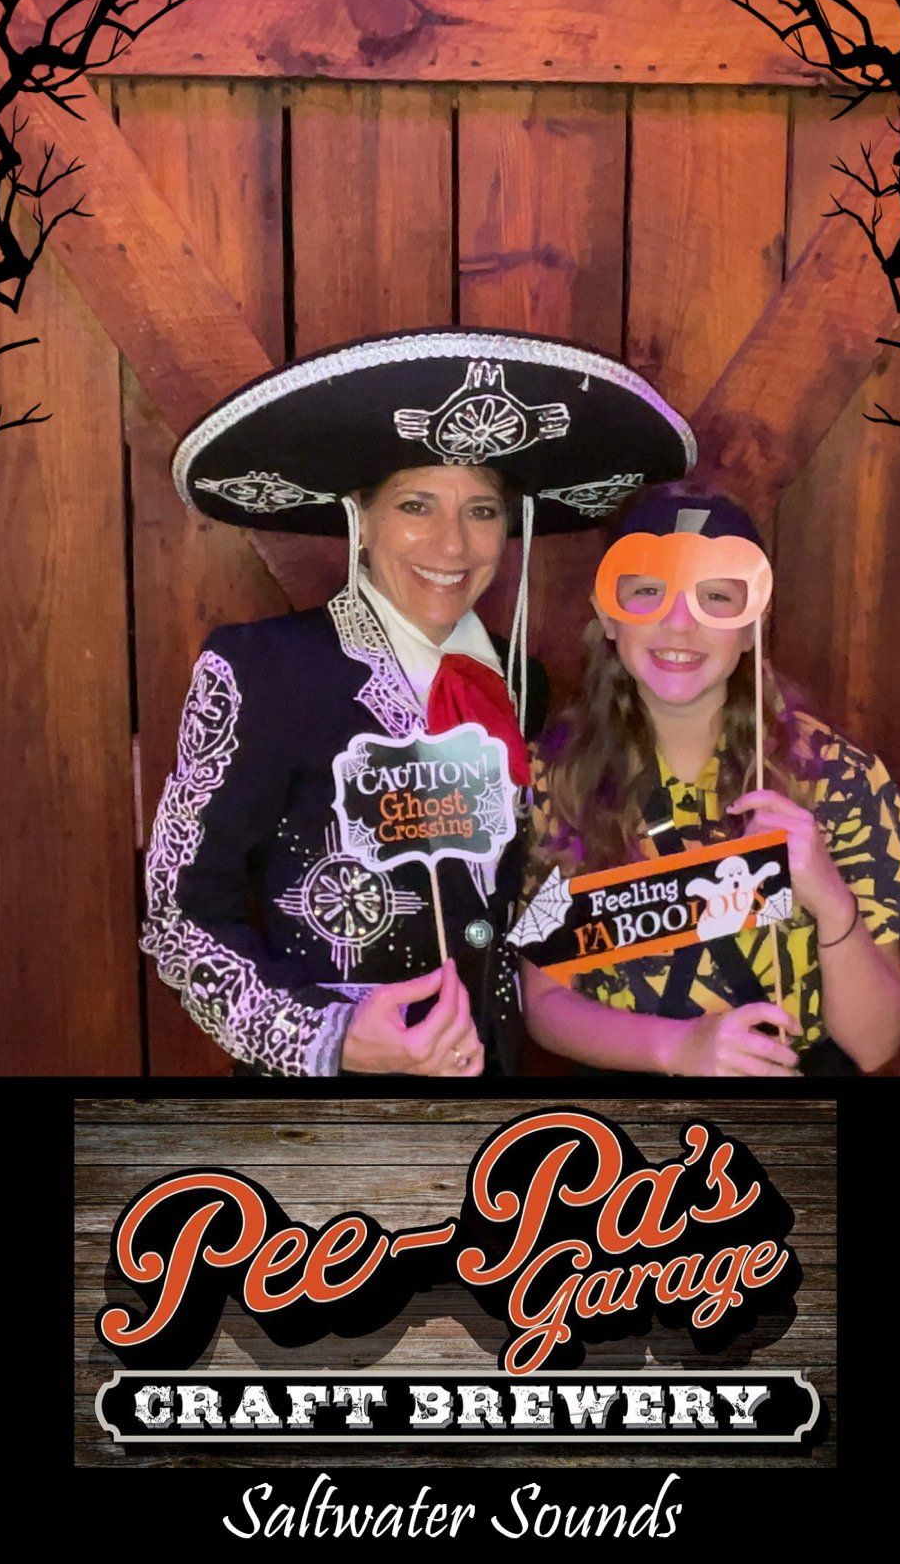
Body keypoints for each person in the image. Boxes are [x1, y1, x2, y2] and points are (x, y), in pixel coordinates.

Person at [141, 329, 695, 1077]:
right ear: (361, 519)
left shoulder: (521, 686)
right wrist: (329, 1039)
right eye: (416, 504)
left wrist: (679, 896)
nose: (452, 544)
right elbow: (178, 918)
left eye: (482, 511)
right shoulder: (262, 672)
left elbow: (520, 914)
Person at [515, 482, 900, 1078]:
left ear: (753, 622)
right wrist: (681, 1048)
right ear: (607, 617)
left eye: (715, 597)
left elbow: (876, 1044)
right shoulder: (553, 779)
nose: (679, 624)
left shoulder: (837, 779)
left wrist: (828, 894)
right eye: (647, 592)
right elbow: (543, 1003)